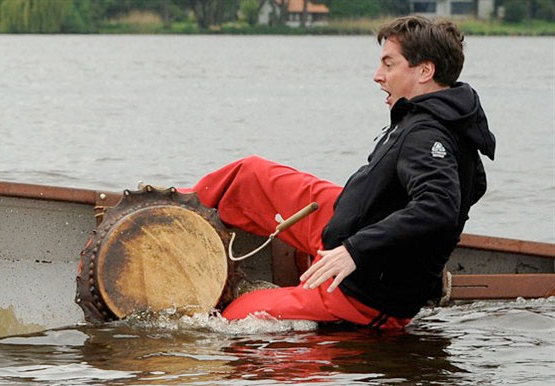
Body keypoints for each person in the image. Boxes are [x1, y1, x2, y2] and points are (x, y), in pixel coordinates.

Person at [187, 16, 496, 330]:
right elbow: (474, 187)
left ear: (425, 71)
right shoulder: (442, 115)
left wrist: (356, 250)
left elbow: (439, 209)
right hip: (347, 225)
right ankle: (168, 216)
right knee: (249, 176)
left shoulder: (427, 135)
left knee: (234, 317)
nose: (378, 76)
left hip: (361, 292)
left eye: (389, 65)